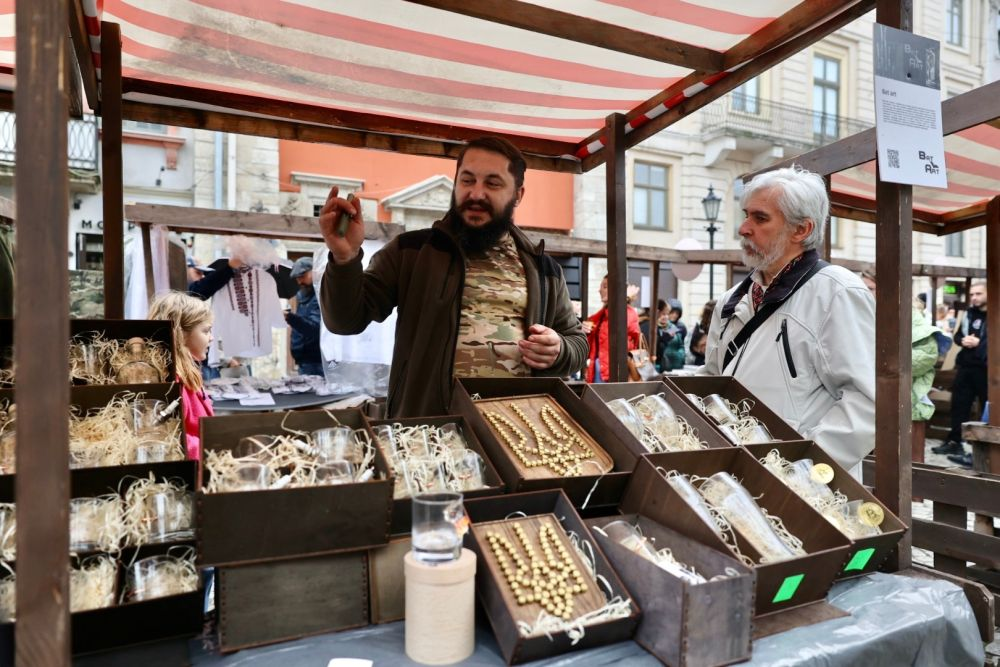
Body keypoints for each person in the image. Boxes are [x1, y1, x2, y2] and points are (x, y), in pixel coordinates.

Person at [317, 136, 587, 417]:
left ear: (518, 195)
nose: (476, 194)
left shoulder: (544, 269)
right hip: (429, 432)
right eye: (467, 180)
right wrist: (345, 260)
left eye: (492, 183)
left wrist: (560, 350)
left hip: (517, 431)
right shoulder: (410, 252)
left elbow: (577, 342)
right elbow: (345, 321)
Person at [700, 166, 876, 471]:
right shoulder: (732, 300)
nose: (743, 228)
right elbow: (713, 379)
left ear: (801, 230)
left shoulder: (836, 292)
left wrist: (800, 468)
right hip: (733, 473)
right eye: (745, 214)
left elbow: (869, 403)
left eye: (760, 218)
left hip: (801, 490)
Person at [861, 271, 939, 464]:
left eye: (869, 288)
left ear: (886, 288)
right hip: (870, 399)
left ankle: (914, 496)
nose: (863, 292)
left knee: (909, 464)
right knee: (875, 463)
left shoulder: (911, 316)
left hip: (906, 402)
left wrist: (882, 361)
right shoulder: (864, 312)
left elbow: (927, 355)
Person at [147, 291, 214, 461]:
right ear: (181, 335)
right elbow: (173, 437)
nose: (211, 338)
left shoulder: (185, 371)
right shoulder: (172, 381)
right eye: (206, 331)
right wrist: (216, 450)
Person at [934, 282, 988, 466]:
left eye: (978, 294)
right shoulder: (969, 314)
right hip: (966, 367)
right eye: (972, 294)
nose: (974, 297)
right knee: (959, 406)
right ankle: (955, 442)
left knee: (987, 409)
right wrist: (963, 339)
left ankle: (981, 451)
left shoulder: (994, 314)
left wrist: (979, 342)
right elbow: (957, 335)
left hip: (986, 370)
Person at [582, 275, 641, 382]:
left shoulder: (628, 312)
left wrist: (621, 298)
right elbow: (588, 347)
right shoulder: (600, 316)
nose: (599, 290)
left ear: (616, 290)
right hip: (598, 370)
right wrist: (583, 330)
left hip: (617, 372)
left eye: (604, 287)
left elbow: (620, 326)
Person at [284, 256, 323, 376]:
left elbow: (314, 329)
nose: (299, 281)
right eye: (297, 278)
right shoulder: (303, 295)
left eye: (302, 276)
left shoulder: (321, 295)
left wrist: (289, 317)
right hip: (304, 361)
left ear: (314, 272)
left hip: (319, 362)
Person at [688, 300, 716, 366]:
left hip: (706, 360)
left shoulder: (700, 326)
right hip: (703, 360)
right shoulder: (700, 326)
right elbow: (693, 346)